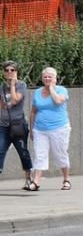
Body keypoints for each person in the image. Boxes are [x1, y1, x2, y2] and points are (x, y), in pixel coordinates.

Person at [28, 67, 70, 192]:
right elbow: (33, 111)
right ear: (42, 78)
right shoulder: (37, 92)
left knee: (60, 154)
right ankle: (36, 182)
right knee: (39, 155)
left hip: (59, 128)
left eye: (50, 76)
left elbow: (58, 101)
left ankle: (66, 179)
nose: (47, 79)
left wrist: (51, 88)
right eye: (45, 77)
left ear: (55, 79)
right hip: (40, 129)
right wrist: (31, 128)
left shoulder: (61, 90)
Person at [0, 61, 32, 189]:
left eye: (12, 70)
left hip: (18, 125)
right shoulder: (1, 87)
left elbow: (14, 100)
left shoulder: (21, 85)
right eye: (6, 70)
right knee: (0, 150)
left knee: (22, 151)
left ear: (16, 72)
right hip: (3, 125)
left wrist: (13, 85)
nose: (9, 72)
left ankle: (28, 178)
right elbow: (2, 105)